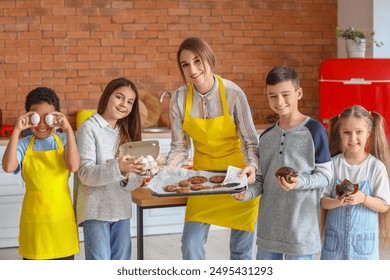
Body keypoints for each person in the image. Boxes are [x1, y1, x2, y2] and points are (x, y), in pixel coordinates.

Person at [166, 37, 260, 260]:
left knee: (241, 252)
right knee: (190, 245)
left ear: (209, 59)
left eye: (197, 61)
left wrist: (252, 167)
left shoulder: (233, 94)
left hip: (238, 177)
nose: (193, 69)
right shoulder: (179, 98)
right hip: (204, 181)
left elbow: (250, 141)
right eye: (185, 64)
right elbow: (180, 146)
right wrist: (167, 167)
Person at [234, 65, 332, 260]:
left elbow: (326, 176)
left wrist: (300, 182)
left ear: (299, 93)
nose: (279, 101)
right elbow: (262, 180)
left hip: (301, 232)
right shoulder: (267, 136)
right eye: (273, 95)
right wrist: (246, 193)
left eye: (285, 94)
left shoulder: (315, 130)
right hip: (269, 231)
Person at [2, 87, 80, 260]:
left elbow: (73, 166)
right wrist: (16, 130)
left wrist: (68, 129)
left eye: (49, 117)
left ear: (57, 117)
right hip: (35, 224)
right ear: (28, 117)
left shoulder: (66, 140)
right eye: (37, 117)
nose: (42, 123)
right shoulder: (23, 144)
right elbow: (8, 166)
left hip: (61, 220)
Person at [75, 77, 146, 260]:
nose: (124, 104)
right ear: (107, 96)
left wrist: (139, 172)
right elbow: (85, 173)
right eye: (119, 97)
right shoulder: (88, 128)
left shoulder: (124, 132)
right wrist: (118, 166)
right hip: (96, 211)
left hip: (121, 210)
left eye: (130, 102)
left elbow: (130, 184)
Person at [320, 105, 390, 260]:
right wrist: (336, 202)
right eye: (347, 132)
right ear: (339, 133)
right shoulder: (332, 165)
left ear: (369, 133)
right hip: (334, 248)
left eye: (359, 132)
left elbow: (384, 205)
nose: (352, 138)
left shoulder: (376, 167)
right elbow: (322, 201)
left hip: (364, 250)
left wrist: (363, 198)